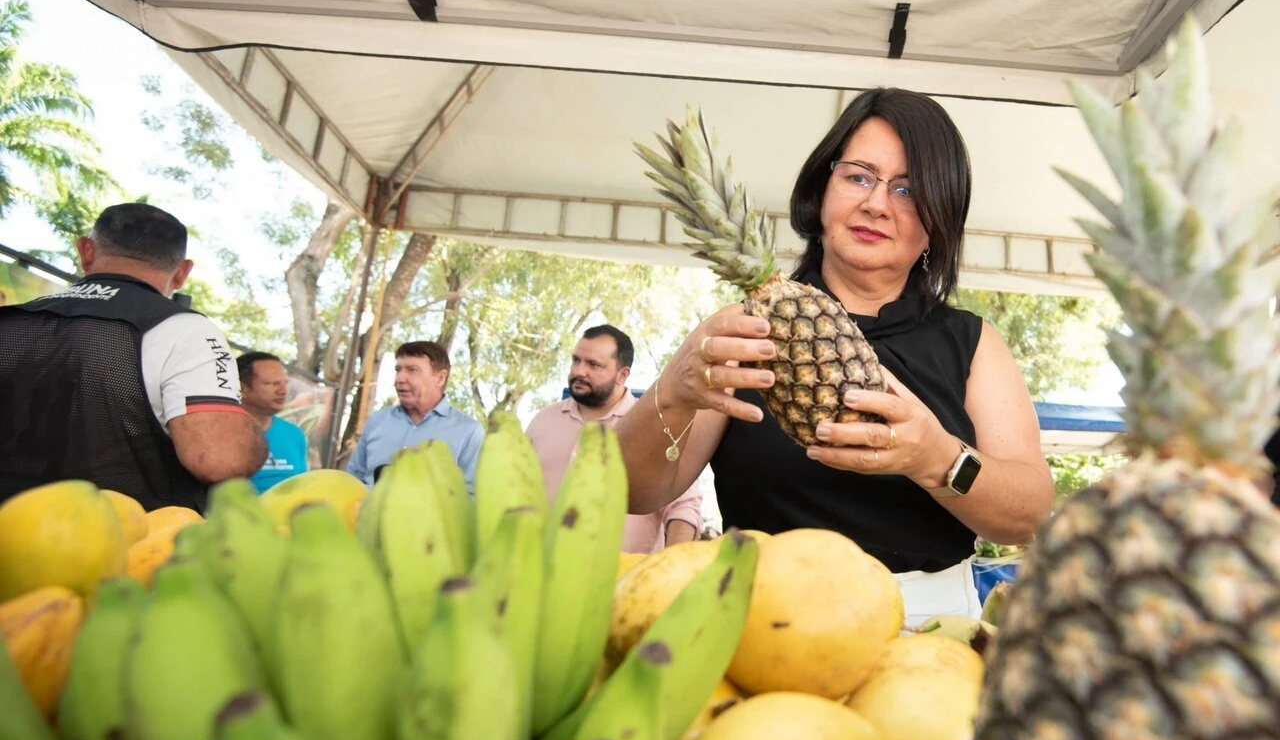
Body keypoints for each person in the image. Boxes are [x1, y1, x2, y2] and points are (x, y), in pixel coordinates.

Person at [616, 88, 1055, 623]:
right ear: (821, 189)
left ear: (937, 223)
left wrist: (938, 459)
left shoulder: (972, 343)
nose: (876, 203)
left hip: (927, 626)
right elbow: (636, 492)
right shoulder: (743, 331)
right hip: (764, 615)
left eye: (908, 190)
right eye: (858, 176)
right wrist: (674, 393)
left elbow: (1029, 514)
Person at [0, 202, 266, 511]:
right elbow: (219, 459)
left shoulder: (10, 321)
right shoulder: (187, 331)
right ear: (182, 273)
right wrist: (252, 434)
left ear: (86, 251)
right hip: (121, 547)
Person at [527, 325, 703, 554]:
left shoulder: (654, 424)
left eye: (593, 365)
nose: (579, 371)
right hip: (540, 577)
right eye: (576, 360)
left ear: (623, 375)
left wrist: (675, 564)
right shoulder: (543, 421)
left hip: (627, 581)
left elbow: (684, 506)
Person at [346, 340, 484, 492]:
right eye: (398, 370)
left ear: (440, 378)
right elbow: (352, 482)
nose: (400, 378)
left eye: (412, 370)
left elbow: (472, 497)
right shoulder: (377, 421)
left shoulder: (468, 432)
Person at [237, 351, 309, 493]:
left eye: (284, 383)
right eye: (273, 383)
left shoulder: (294, 434)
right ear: (242, 388)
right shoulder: (220, 432)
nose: (283, 390)